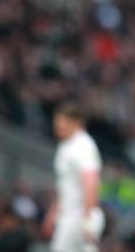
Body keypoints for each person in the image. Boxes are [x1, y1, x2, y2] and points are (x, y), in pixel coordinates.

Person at [42, 102, 105, 252]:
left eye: (60, 123)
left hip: (79, 215)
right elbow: (66, 185)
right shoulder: (65, 146)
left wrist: (88, 218)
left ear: (75, 122)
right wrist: (53, 214)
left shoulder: (84, 146)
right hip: (68, 215)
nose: (56, 127)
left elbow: (91, 182)